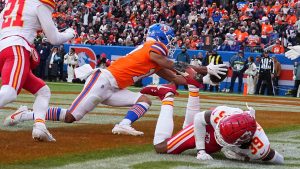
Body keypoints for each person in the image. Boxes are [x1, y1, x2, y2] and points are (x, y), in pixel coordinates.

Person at [4, 23, 227, 137]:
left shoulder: (156, 58)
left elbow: (177, 78)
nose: (170, 41)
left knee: (144, 100)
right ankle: (25, 114)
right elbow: (170, 64)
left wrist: (203, 78)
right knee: (71, 117)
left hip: (115, 87)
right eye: (168, 37)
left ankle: (124, 124)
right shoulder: (153, 48)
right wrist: (205, 66)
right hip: (104, 80)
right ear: (160, 36)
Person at [141, 85, 284, 164]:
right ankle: (167, 97)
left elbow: (278, 159)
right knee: (161, 147)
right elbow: (199, 119)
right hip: (209, 126)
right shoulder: (223, 114)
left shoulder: (259, 147)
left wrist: (244, 156)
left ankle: (193, 88)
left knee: (190, 134)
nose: (219, 137)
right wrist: (200, 151)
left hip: (229, 135)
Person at [0, 0, 75, 141]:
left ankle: (40, 126)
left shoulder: (10, 4)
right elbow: (54, 38)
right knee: (9, 92)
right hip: (17, 47)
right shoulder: (39, 3)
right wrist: (70, 34)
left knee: (43, 91)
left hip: (4, 49)